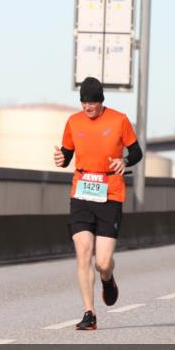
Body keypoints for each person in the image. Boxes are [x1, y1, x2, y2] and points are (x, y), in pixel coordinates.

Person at [54, 77, 143, 331]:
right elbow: (67, 154)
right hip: (81, 192)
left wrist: (124, 161)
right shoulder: (73, 121)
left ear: (101, 101)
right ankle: (89, 313)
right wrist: (61, 158)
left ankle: (107, 278)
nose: (87, 107)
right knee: (83, 249)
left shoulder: (119, 120)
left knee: (102, 262)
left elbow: (136, 152)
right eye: (83, 102)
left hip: (110, 193)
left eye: (92, 102)